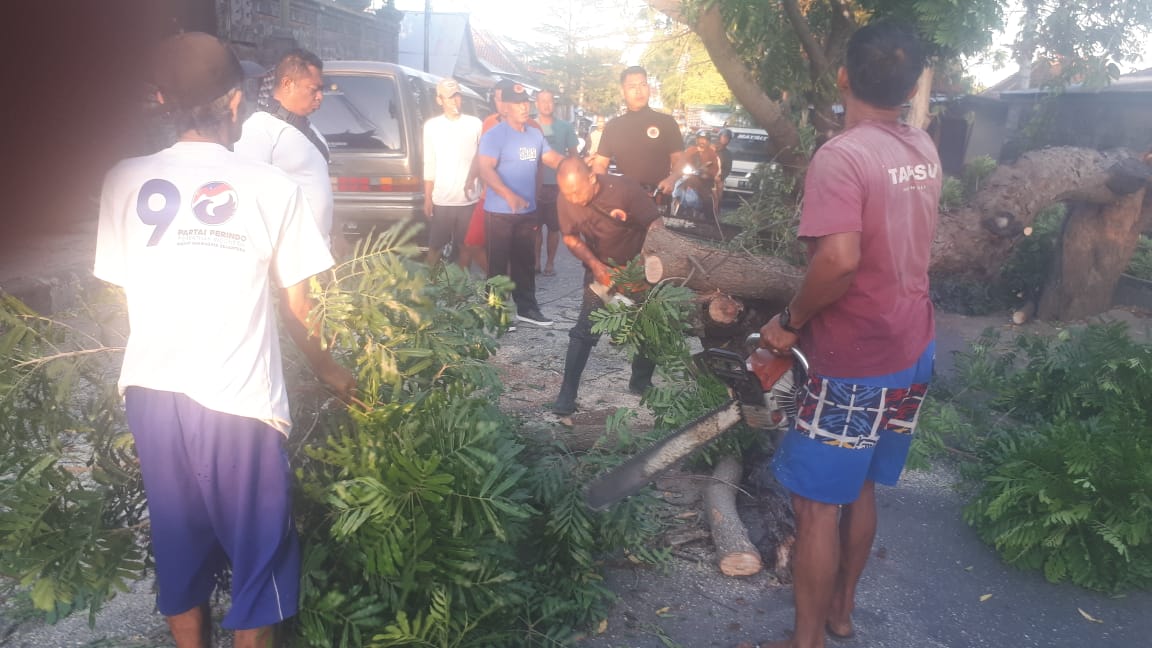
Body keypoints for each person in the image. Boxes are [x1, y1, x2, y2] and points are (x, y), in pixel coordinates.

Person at [93, 32, 355, 648]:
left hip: (152, 392)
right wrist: (330, 369)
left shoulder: (121, 179)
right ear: (236, 101)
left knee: (178, 545)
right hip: (239, 400)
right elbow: (298, 305)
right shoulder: (269, 185)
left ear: (161, 99)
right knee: (258, 557)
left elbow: (124, 285)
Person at [755, 22, 940, 648]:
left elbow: (836, 261)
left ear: (842, 77)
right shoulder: (922, 147)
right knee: (859, 486)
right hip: (913, 349)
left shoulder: (843, 155)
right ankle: (841, 612)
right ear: (912, 85)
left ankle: (805, 642)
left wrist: (787, 324)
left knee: (815, 509)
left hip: (855, 362)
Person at [552, 157, 663, 416]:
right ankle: (566, 395)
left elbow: (657, 227)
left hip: (638, 269)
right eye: (566, 193)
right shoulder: (565, 198)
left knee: (649, 326)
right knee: (584, 330)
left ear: (591, 178)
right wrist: (596, 266)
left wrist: (640, 266)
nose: (573, 198)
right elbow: (569, 236)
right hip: (601, 270)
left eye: (577, 191)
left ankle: (641, 382)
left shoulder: (625, 189)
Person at [477, 81, 564, 327]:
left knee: (525, 262)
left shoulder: (535, 135)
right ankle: (496, 314)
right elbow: (485, 168)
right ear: (505, 106)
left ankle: (526, 309)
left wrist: (573, 166)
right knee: (498, 265)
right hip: (499, 213)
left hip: (527, 211)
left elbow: (551, 158)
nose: (523, 107)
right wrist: (507, 194)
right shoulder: (495, 135)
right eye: (517, 104)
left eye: (525, 102)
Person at [234, 49, 333, 249]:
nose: (320, 97)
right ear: (288, 84)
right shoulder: (259, 130)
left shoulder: (311, 130)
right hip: (290, 261)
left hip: (319, 254)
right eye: (314, 89)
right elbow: (248, 201)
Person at [590, 66, 683, 196]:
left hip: (657, 195)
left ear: (649, 88)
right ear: (623, 92)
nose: (639, 91)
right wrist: (606, 186)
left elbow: (679, 160)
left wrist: (672, 179)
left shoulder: (667, 123)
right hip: (623, 197)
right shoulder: (613, 126)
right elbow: (600, 163)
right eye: (632, 87)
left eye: (643, 85)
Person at [422, 78, 482, 268]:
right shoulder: (432, 127)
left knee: (466, 246)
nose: (454, 101)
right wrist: (427, 198)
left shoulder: (475, 124)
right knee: (436, 247)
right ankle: (429, 287)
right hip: (442, 199)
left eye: (457, 96)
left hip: (469, 199)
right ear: (439, 100)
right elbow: (429, 163)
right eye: (449, 98)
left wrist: (484, 191)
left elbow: (483, 159)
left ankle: (460, 289)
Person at [534, 88, 579, 276]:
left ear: (555, 104)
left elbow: (574, 156)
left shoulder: (565, 127)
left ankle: (550, 263)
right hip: (534, 185)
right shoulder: (530, 125)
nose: (546, 105)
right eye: (542, 101)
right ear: (536, 104)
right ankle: (535, 262)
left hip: (557, 187)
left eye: (550, 101)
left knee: (554, 228)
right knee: (534, 228)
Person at [715, 127, 733, 202]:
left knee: (719, 191)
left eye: (727, 138)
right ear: (720, 137)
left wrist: (720, 177)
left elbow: (727, 169)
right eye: (724, 137)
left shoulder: (728, 154)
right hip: (705, 174)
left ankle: (717, 209)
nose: (725, 139)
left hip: (717, 177)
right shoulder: (710, 148)